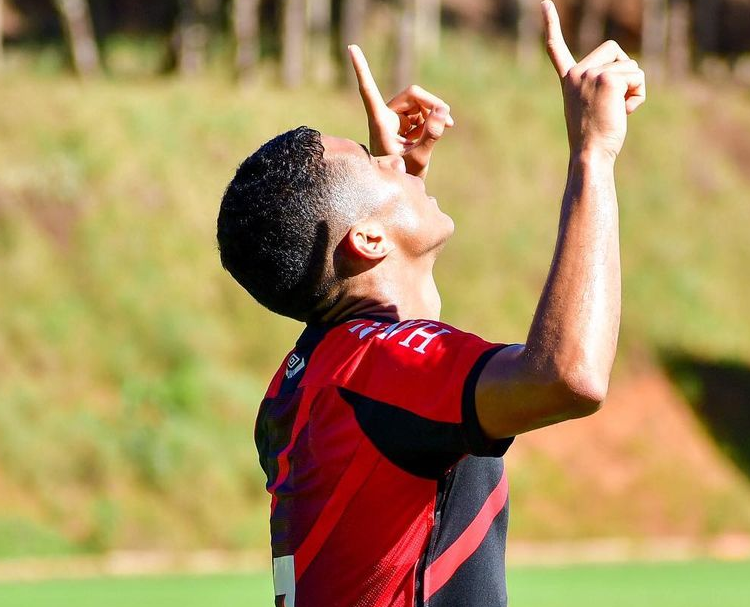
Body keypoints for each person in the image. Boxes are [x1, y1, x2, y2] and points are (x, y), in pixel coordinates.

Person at [215, 2, 645, 604]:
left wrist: (397, 194)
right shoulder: (373, 372)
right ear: (365, 241)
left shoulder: (313, 376)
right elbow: (567, 376)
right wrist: (593, 153)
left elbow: (405, 397)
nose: (389, 154)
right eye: (371, 161)